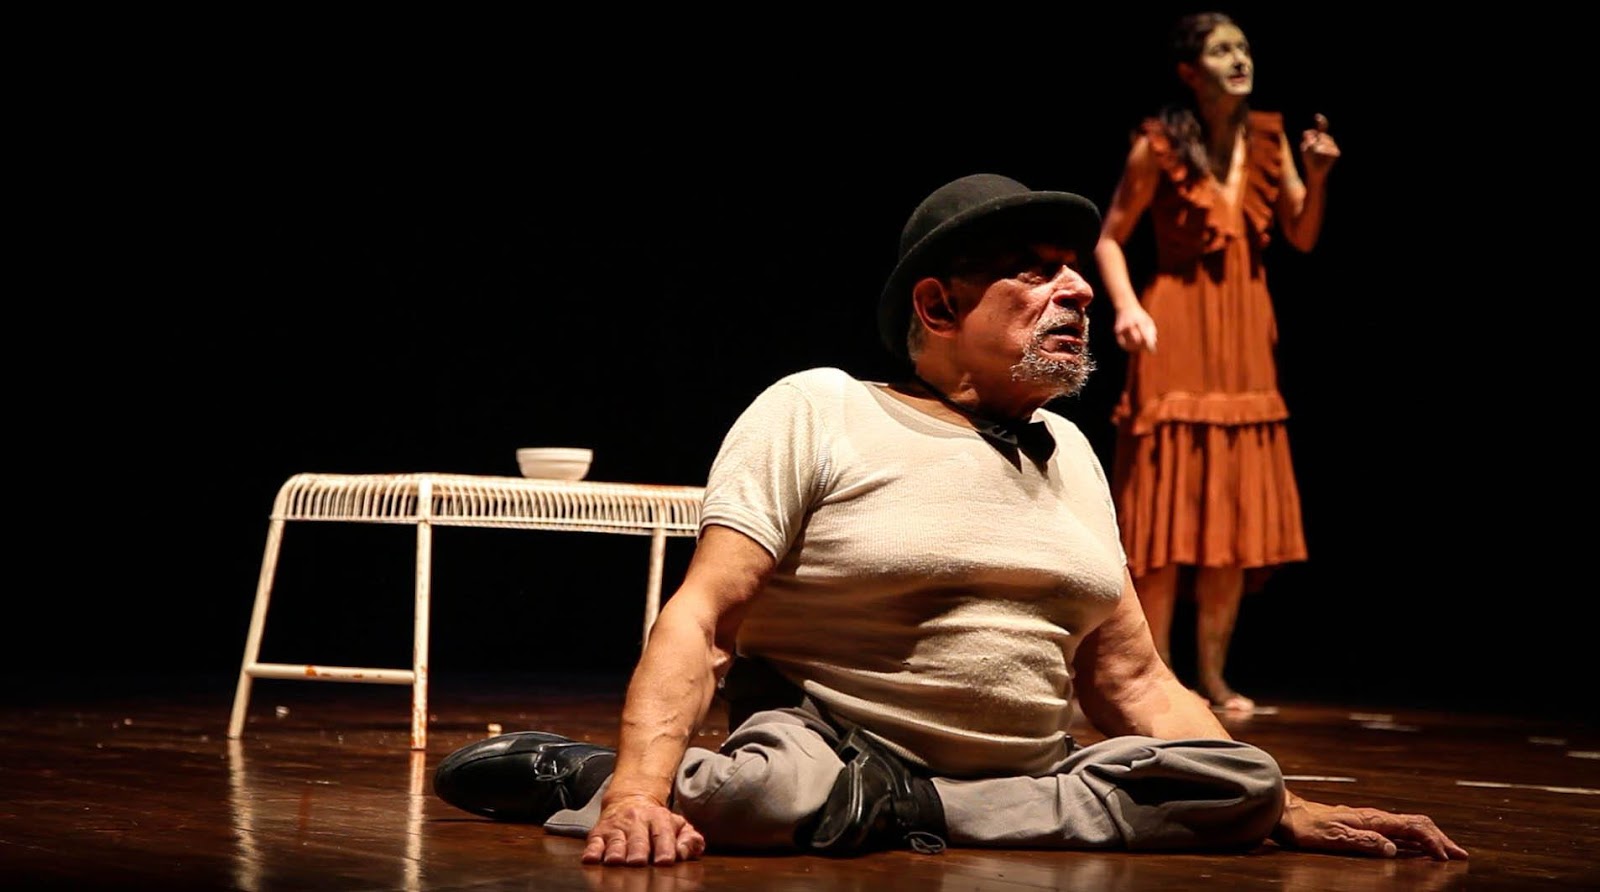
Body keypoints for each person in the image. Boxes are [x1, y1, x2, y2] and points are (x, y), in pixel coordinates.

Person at [431, 173, 1465, 867]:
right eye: (1035, 271)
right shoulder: (820, 408)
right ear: (936, 307)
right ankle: (587, 773)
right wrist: (634, 795)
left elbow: (1134, 679)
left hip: (1027, 774)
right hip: (829, 745)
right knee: (773, 793)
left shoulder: (1073, 455)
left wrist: (1285, 808)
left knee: (1239, 779)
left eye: (1074, 269)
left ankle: (906, 811)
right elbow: (702, 617)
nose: (1077, 290)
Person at [1093, 11, 1339, 714]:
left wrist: (1317, 176)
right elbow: (1110, 239)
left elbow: (1301, 234)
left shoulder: (1268, 138)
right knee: (1166, 516)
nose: (1239, 58)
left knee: (1231, 515)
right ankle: (1158, 674)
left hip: (1245, 334)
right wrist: (1126, 309)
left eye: (1244, 47)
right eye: (1221, 49)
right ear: (1189, 71)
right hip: (1176, 327)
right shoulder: (1159, 146)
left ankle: (1214, 674)